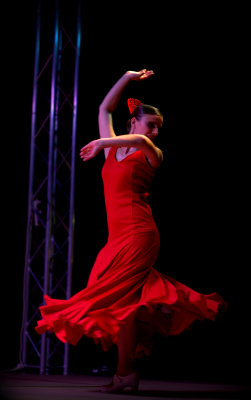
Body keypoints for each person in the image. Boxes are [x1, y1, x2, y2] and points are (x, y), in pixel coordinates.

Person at [36, 69, 226, 393]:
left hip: (140, 236)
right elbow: (103, 110)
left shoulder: (151, 153)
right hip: (116, 239)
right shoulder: (112, 151)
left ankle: (128, 370)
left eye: (158, 128)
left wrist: (101, 141)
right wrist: (126, 77)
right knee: (123, 305)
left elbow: (136, 141)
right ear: (133, 122)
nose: (154, 132)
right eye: (150, 124)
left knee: (119, 300)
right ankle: (126, 374)